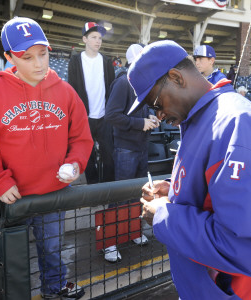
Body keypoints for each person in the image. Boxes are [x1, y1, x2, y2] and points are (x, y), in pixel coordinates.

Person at [127, 40, 251, 299]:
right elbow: (216, 192)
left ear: (176, 77)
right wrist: (175, 190)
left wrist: (164, 216)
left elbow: (249, 249)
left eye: (156, 103)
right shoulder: (200, 117)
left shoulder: (238, 124)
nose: (158, 115)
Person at [0, 17, 93, 299]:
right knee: (5, 253)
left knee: (53, 248)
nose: (38, 63)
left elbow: (81, 138)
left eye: (43, 54)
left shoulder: (65, 91)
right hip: (12, 196)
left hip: (53, 194)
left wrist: (75, 163)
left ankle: (55, 290)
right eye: (27, 57)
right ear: (9, 57)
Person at [104, 44, 159, 262]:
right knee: (119, 196)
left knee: (137, 193)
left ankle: (132, 231)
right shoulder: (123, 82)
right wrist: (140, 123)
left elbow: (141, 113)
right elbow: (111, 115)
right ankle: (109, 241)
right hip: (125, 147)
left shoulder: (141, 83)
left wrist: (152, 118)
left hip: (139, 146)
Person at [68, 22, 115, 184]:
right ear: (84, 39)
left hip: (104, 117)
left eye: (100, 38)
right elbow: (72, 90)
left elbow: (111, 88)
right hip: (85, 117)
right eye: (94, 37)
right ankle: (93, 186)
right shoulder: (75, 61)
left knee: (108, 154)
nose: (98, 41)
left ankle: (108, 187)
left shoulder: (106, 61)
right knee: (88, 155)